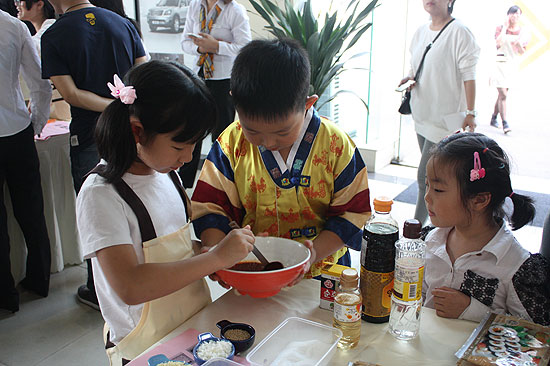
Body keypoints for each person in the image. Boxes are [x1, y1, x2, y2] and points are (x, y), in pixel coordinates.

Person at [77, 61, 254, 364]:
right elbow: (130, 286)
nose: (187, 158)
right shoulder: (102, 194)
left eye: (194, 145)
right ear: (138, 131)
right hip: (145, 347)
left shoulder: (166, 174)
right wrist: (214, 258)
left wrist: (206, 253)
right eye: (178, 146)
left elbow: (174, 249)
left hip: (191, 329)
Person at [192, 38, 372, 280]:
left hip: (322, 271)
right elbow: (211, 207)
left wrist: (313, 254)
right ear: (235, 101)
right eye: (252, 131)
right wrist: (216, 254)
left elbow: (351, 212)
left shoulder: (336, 145)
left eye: (282, 132)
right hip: (253, 267)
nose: (268, 143)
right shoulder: (230, 145)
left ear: (308, 104)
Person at [41, 0, 147, 310]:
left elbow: (71, 94)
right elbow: (144, 69)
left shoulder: (54, 34)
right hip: (133, 131)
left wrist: (113, 107)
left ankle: (99, 289)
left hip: (90, 134)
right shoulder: (122, 23)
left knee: (96, 215)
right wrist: (127, 107)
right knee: (136, 204)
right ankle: (144, 276)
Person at [422, 132, 549, 326]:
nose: (427, 197)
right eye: (427, 185)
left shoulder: (515, 265)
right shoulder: (429, 241)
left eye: (438, 190)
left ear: (480, 200)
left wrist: (472, 311)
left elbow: (537, 334)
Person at [398, 0, 480, 226]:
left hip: (445, 121)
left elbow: (469, 76)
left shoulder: (460, 32)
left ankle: (416, 228)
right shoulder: (420, 32)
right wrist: (409, 78)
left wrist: (471, 112)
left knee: (426, 178)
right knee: (434, 177)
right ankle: (439, 225)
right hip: (422, 115)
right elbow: (418, 67)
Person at [0, 9, 52, 312]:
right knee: (32, 210)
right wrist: (35, 124)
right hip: (18, 131)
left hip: (18, 129)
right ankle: (39, 279)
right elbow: (40, 83)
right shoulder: (13, 26)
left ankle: (5, 296)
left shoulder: (15, 26)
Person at [179, 0, 251, 188]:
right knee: (192, 130)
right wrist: (200, 48)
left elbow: (245, 47)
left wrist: (216, 46)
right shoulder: (196, 6)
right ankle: (183, 185)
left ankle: (219, 185)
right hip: (198, 75)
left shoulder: (235, 10)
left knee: (220, 135)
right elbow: (185, 42)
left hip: (223, 79)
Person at [16, 0, 71, 121]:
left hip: (58, 109)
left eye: (20, 1)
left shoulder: (50, 30)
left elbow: (31, 50)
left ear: (40, 4)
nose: (16, 5)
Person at [489, 5, 528, 134]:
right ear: (508, 15)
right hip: (500, 63)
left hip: (512, 64)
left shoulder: (522, 31)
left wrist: (518, 44)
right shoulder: (500, 28)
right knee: (503, 94)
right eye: (513, 14)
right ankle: (505, 123)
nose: (515, 16)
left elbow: (522, 51)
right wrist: (505, 28)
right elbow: (498, 44)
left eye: (517, 14)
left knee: (502, 94)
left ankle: (494, 117)